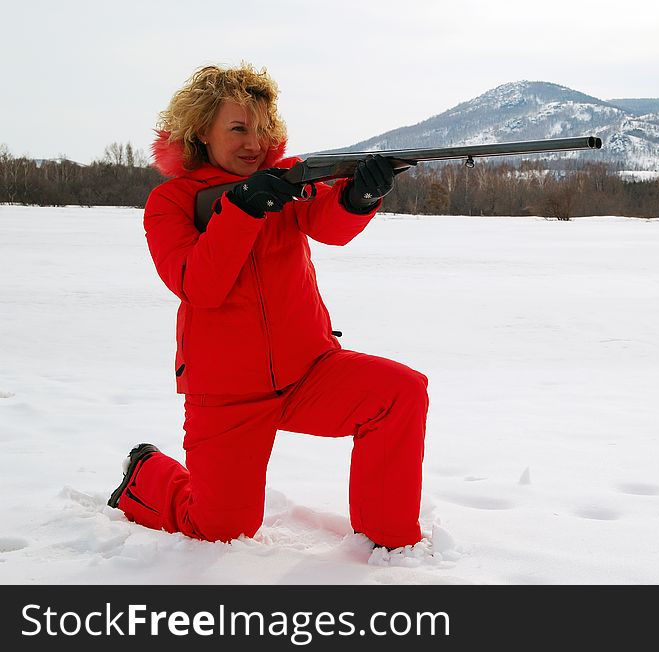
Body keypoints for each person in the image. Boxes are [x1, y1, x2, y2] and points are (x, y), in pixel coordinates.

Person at [107, 63, 429, 550]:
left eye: (261, 128)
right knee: (221, 530)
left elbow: (328, 226)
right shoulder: (170, 202)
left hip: (310, 370)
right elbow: (200, 285)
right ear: (200, 132)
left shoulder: (285, 180)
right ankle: (145, 474)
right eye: (238, 128)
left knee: (399, 393)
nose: (253, 142)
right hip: (228, 391)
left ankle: (389, 542)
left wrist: (359, 197)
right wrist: (243, 209)